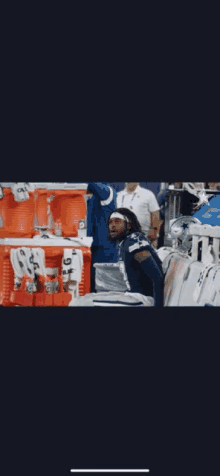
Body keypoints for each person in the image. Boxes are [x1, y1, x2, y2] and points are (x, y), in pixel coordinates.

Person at [107, 208, 164, 307]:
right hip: (134, 295)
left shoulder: (134, 241)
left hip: (143, 298)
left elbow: (157, 277)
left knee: (84, 303)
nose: (112, 225)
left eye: (117, 221)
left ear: (128, 225)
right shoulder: (123, 242)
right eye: (110, 222)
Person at [86, 182, 118, 291]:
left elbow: (92, 184)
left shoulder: (108, 193)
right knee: (91, 288)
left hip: (106, 250)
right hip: (93, 248)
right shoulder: (93, 197)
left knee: (104, 290)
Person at [117, 182, 162, 248]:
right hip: (121, 237)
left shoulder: (148, 194)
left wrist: (155, 232)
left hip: (143, 237)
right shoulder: (118, 196)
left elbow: (155, 213)